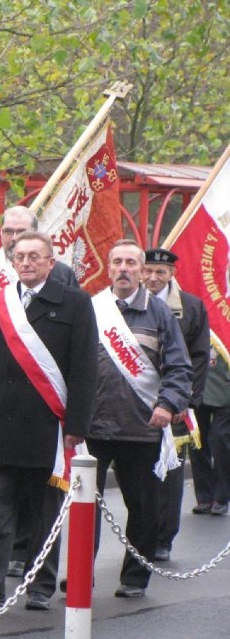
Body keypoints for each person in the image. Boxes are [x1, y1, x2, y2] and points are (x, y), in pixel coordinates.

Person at [0, 232, 97, 611]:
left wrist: (76, 428)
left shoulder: (76, 304)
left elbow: (85, 371)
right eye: (20, 257)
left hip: (50, 429)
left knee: (43, 511)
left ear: (52, 262)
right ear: (12, 262)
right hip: (0, 426)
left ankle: (39, 586)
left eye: (36, 256)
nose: (27, 263)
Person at [86, 239, 192, 598]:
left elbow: (179, 366)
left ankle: (134, 578)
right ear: (109, 266)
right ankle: (83, 574)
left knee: (143, 508)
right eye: (117, 262)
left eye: (132, 262)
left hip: (142, 427)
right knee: (85, 507)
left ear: (142, 269)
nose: (124, 269)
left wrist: (167, 403)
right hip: (93, 428)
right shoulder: (92, 309)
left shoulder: (160, 314)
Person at [141, 248, 210, 561]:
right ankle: (140, 536)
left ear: (172, 275)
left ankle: (163, 539)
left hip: (174, 404)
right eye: (149, 271)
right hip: (135, 401)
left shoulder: (192, 307)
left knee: (170, 472)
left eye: (161, 273)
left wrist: (185, 401)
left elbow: (198, 359)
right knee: (139, 473)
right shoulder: (124, 305)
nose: (154, 278)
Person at [190, 347, 230, 516]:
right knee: (197, 441)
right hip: (198, 385)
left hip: (226, 387)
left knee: (219, 439)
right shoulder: (196, 319)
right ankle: (204, 497)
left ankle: (221, 497)